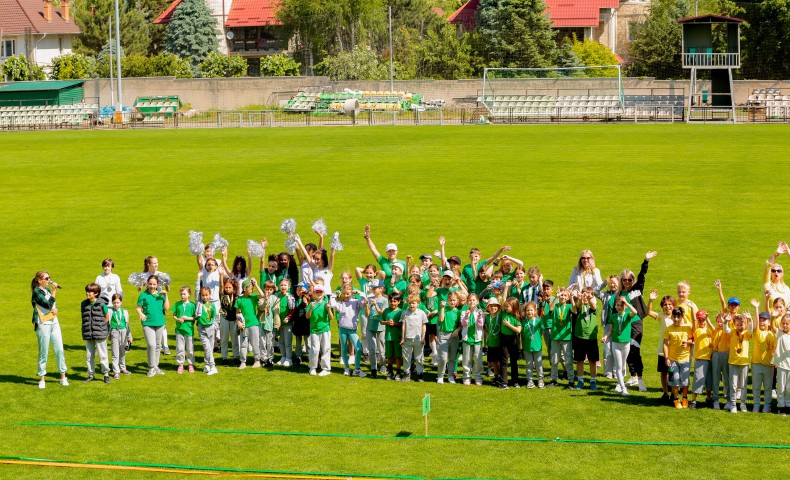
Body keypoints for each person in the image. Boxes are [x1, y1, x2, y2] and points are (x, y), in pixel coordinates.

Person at [619, 251, 658, 393]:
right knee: (627, 351)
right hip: (624, 325)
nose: (627, 282)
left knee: (635, 350)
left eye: (630, 280)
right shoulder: (620, 294)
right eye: (625, 280)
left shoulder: (637, 289)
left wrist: (646, 260)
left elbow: (642, 275)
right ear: (621, 281)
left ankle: (641, 379)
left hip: (636, 324)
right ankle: (633, 376)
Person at [31, 271, 68, 388]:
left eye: (49, 278)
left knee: (59, 349)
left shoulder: (46, 290)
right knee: (44, 352)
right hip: (43, 324)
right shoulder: (36, 291)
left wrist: (55, 308)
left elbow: (52, 305)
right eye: (46, 278)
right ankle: (42, 378)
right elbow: (47, 304)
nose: (49, 280)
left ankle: (63, 376)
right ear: (39, 280)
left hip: (54, 322)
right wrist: (54, 291)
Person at [602, 297, 639, 396]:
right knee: (618, 365)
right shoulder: (613, 317)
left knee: (623, 365)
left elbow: (635, 312)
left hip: (626, 343)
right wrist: (605, 337)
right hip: (616, 343)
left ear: (625, 306)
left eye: (621, 305)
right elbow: (610, 331)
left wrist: (626, 302)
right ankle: (623, 388)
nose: (619, 307)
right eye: (617, 305)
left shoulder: (627, 315)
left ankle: (619, 384)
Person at [136, 275, 170, 377]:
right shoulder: (143, 295)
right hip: (148, 323)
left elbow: (167, 308)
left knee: (158, 345)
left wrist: (166, 296)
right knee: (151, 344)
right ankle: (151, 367)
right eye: (150, 284)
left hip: (160, 322)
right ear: (147, 284)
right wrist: (141, 314)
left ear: (157, 285)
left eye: (154, 284)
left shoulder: (161, 295)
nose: (152, 286)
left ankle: (156, 367)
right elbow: (138, 308)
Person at [646, 290, 676, 403]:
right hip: (662, 350)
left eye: (670, 304)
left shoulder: (677, 317)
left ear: (674, 305)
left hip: (674, 351)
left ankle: (674, 393)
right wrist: (651, 300)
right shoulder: (661, 316)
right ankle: (665, 393)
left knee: (672, 372)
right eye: (665, 304)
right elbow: (648, 312)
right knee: (663, 372)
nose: (667, 306)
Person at [331, 284, 367, 377]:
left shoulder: (356, 302)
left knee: (358, 348)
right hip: (342, 329)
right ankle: (346, 368)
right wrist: (334, 294)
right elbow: (333, 304)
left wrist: (359, 293)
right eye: (344, 294)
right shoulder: (340, 303)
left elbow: (364, 301)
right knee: (344, 348)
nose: (346, 295)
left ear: (351, 293)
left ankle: (357, 369)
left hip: (352, 330)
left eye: (348, 294)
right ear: (342, 294)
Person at [663, 307, 693, 409]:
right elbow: (665, 344)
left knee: (685, 380)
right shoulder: (668, 329)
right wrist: (667, 358)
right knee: (674, 379)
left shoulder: (687, 328)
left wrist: (688, 343)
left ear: (682, 317)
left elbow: (692, 340)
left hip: (685, 359)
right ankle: (676, 399)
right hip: (672, 360)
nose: (676, 319)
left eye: (678, 317)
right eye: (674, 317)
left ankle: (684, 398)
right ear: (671, 317)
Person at [81, 283, 110, 384]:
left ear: (96, 293)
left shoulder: (102, 304)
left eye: (90, 292)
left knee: (103, 355)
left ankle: (106, 374)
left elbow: (107, 317)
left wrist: (101, 327)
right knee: (89, 356)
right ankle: (90, 375)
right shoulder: (83, 304)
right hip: (88, 333)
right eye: (87, 291)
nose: (87, 293)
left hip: (100, 333)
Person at [725, 313, 753, 413]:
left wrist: (750, 320)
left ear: (745, 324)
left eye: (742, 325)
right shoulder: (733, 332)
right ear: (735, 324)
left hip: (744, 362)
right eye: (737, 325)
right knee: (733, 384)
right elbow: (726, 329)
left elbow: (751, 329)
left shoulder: (747, 333)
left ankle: (743, 404)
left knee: (743, 385)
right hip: (733, 361)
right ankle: (733, 404)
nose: (739, 327)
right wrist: (726, 321)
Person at [572, 287, 599, 390]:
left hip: (591, 337)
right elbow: (577, 307)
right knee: (580, 360)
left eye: (588, 294)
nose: (586, 296)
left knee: (592, 361)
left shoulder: (594, 305)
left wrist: (590, 298)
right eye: (584, 294)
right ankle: (580, 380)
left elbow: (593, 307)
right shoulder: (579, 305)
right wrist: (580, 299)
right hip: (579, 336)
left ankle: (593, 381)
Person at [751, 308, 776, 413]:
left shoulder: (771, 335)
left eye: (764, 320)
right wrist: (756, 309)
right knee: (756, 386)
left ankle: (767, 405)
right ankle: (756, 404)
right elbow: (755, 323)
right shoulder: (757, 332)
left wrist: (774, 362)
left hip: (768, 365)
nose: (762, 322)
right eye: (760, 319)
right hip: (756, 364)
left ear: (769, 322)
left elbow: (773, 350)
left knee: (767, 387)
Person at [548, 287, 573, 388]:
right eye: (561, 295)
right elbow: (550, 309)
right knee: (554, 360)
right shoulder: (556, 306)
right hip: (555, 336)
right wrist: (556, 298)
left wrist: (571, 298)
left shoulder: (569, 307)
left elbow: (575, 310)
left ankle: (571, 381)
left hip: (566, 337)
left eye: (565, 295)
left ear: (567, 298)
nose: (563, 297)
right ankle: (554, 380)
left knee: (568, 360)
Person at [235, 278, 263, 369]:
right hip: (244, 326)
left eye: (252, 288)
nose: (252, 290)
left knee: (255, 343)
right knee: (243, 344)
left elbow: (262, 295)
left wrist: (256, 284)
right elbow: (237, 312)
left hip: (254, 324)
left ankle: (257, 360)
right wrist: (239, 322)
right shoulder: (239, 300)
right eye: (250, 288)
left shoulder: (254, 297)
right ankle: (243, 362)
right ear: (244, 289)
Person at [306, 284, 334, 376]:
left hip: (325, 330)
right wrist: (310, 308)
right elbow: (307, 316)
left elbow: (331, 318)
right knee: (315, 349)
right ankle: (312, 368)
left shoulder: (326, 304)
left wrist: (329, 310)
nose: (318, 293)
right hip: (314, 330)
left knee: (326, 349)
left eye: (320, 292)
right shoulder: (311, 304)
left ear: (323, 293)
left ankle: (326, 369)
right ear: (313, 293)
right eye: (316, 292)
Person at [400, 293, 428, 382]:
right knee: (406, 357)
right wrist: (403, 338)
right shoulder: (405, 313)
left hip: (418, 339)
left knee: (419, 357)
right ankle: (407, 373)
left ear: (418, 303)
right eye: (410, 303)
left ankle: (420, 374)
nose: (412, 305)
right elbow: (403, 326)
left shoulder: (421, 313)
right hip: (407, 339)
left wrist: (423, 338)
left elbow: (423, 326)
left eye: (414, 303)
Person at [689, 309, 714, 409]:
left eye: (703, 320)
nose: (702, 322)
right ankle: (693, 400)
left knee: (709, 380)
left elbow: (714, 330)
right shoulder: (697, 330)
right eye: (700, 320)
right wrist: (694, 316)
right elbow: (694, 325)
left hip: (710, 358)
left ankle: (708, 398)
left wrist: (707, 320)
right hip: (701, 359)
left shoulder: (709, 330)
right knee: (698, 379)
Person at [436, 292, 462, 384]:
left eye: (454, 300)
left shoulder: (458, 312)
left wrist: (457, 330)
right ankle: (440, 376)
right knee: (443, 357)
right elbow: (441, 320)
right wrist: (442, 308)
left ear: (457, 301)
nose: (452, 302)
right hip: (443, 334)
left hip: (454, 335)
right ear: (447, 301)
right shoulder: (444, 309)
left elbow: (461, 325)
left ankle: (451, 375)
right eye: (450, 300)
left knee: (452, 357)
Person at [459, 293, 484, 386]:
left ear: (477, 302)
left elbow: (480, 324)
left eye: (474, 300)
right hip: (466, 339)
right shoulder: (463, 312)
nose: (472, 302)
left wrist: (480, 316)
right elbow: (464, 324)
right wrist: (466, 316)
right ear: (467, 302)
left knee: (477, 359)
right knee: (466, 359)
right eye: (470, 300)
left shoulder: (480, 312)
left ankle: (478, 376)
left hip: (477, 339)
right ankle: (466, 377)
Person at [172, 286, 196, 374]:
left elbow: (195, 318)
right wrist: (177, 319)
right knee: (180, 348)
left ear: (189, 294)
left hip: (189, 330)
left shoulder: (193, 305)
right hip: (179, 330)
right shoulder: (177, 304)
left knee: (190, 348)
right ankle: (180, 364)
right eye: (181, 294)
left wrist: (187, 318)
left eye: (184, 294)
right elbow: (174, 315)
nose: (182, 296)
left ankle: (190, 364)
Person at [366, 279, 388, 377]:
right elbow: (367, 315)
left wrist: (375, 305)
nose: (373, 290)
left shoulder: (384, 300)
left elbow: (381, 313)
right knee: (371, 349)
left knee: (381, 349)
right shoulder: (370, 298)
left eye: (375, 288)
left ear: (381, 289)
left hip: (381, 327)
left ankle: (383, 365)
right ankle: (373, 368)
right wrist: (367, 306)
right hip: (370, 326)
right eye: (372, 288)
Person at [711, 312, 732, 410]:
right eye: (718, 321)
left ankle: (729, 400)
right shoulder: (714, 331)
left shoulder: (727, 330)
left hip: (726, 354)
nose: (720, 323)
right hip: (716, 354)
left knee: (727, 378)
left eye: (721, 321)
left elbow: (726, 328)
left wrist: (725, 322)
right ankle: (715, 400)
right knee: (715, 377)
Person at [106, 293, 131, 379]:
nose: (116, 304)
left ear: (121, 302)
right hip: (114, 332)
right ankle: (116, 371)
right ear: (112, 303)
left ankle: (123, 368)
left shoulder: (125, 312)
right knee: (115, 353)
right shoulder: (110, 311)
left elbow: (128, 325)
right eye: (114, 303)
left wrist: (129, 336)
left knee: (122, 351)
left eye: (118, 302)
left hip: (123, 331)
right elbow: (107, 323)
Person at [521, 301, 544, 389]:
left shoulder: (538, 321)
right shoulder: (523, 322)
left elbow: (541, 331)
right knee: (529, 364)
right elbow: (522, 334)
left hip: (537, 347)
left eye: (531, 310)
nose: (529, 312)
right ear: (525, 311)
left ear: (535, 311)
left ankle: (540, 379)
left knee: (539, 364)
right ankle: (530, 380)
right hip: (527, 347)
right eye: (527, 310)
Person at [256, 281, 279, 368]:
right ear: (263, 289)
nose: (268, 291)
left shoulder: (275, 298)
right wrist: (265, 301)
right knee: (262, 342)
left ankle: (270, 358)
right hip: (261, 323)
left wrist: (276, 324)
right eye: (266, 289)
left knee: (270, 343)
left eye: (270, 290)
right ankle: (264, 358)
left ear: (273, 290)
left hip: (270, 323)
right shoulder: (260, 298)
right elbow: (261, 308)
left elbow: (276, 312)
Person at [382, 293, 404, 380]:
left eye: (395, 301)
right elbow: (381, 321)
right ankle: (390, 372)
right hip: (388, 337)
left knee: (398, 356)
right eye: (391, 301)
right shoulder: (386, 311)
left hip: (398, 337)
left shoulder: (401, 312)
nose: (393, 303)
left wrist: (395, 324)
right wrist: (387, 322)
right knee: (389, 356)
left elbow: (403, 324)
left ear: (399, 302)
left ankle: (398, 372)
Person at [772, 314, 790, 416]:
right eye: (783, 323)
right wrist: (773, 317)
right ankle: (780, 406)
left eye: (787, 324)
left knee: (789, 388)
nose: (785, 325)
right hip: (781, 365)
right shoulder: (779, 333)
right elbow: (772, 326)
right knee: (781, 387)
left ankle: (788, 405)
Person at [219, 279, 239, 366]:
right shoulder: (222, 295)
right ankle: (224, 358)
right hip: (224, 318)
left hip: (234, 319)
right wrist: (221, 276)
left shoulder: (237, 296)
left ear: (233, 287)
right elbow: (221, 286)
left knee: (235, 339)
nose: (227, 289)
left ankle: (236, 357)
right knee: (224, 339)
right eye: (226, 287)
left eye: (229, 287)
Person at [763, 242, 790, 309]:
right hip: (769, 318)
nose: (776, 272)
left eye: (779, 271)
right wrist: (776, 254)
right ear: (770, 273)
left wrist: (789, 252)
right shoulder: (767, 284)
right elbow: (768, 265)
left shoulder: (786, 289)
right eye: (773, 271)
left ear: (782, 273)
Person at [276, 278, 296, 367]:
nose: (283, 287)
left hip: (287, 323)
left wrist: (288, 317)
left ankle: (289, 358)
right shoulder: (277, 295)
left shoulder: (290, 296)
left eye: (285, 285)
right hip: (279, 323)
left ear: (288, 286)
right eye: (281, 285)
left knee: (288, 342)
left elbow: (292, 309)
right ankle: (283, 356)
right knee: (281, 341)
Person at [484, 298, 504, 388]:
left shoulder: (501, 315)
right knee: (494, 361)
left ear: (498, 307)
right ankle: (496, 376)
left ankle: (501, 376)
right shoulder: (487, 317)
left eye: (495, 306)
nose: (493, 308)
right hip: (491, 343)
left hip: (500, 342)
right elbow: (482, 325)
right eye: (491, 306)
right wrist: (486, 333)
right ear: (488, 308)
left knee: (500, 361)